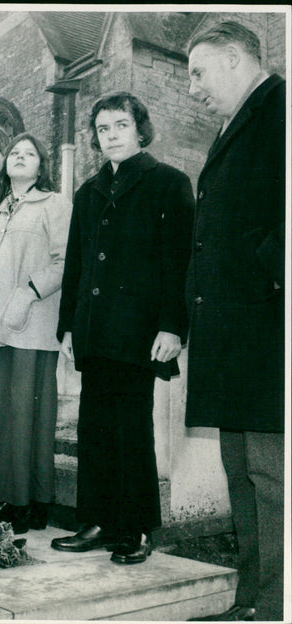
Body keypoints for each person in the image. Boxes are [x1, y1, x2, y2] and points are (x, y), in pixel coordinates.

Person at [51, 94, 194, 563]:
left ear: (139, 130)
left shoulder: (168, 183)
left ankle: (135, 528)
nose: (110, 134)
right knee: (94, 427)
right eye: (102, 127)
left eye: (120, 125)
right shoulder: (88, 191)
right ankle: (96, 520)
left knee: (131, 429)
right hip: (93, 332)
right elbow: (75, 264)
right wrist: (69, 328)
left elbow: (179, 263)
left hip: (138, 334)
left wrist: (172, 327)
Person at [184, 23, 284, 622]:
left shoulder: (281, 108)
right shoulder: (235, 123)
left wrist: (262, 280)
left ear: (233, 57)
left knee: (271, 477)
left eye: (197, 72)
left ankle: (276, 606)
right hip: (232, 334)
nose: (192, 88)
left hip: (267, 331)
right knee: (242, 474)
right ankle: (253, 603)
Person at [0, 134, 71, 533]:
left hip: (32, 326)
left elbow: (65, 260)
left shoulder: (54, 204)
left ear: (41, 165)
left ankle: (30, 502)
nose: (20, 158)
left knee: (28, 416)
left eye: (29, 154)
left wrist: (30, 291)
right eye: (14, 152)